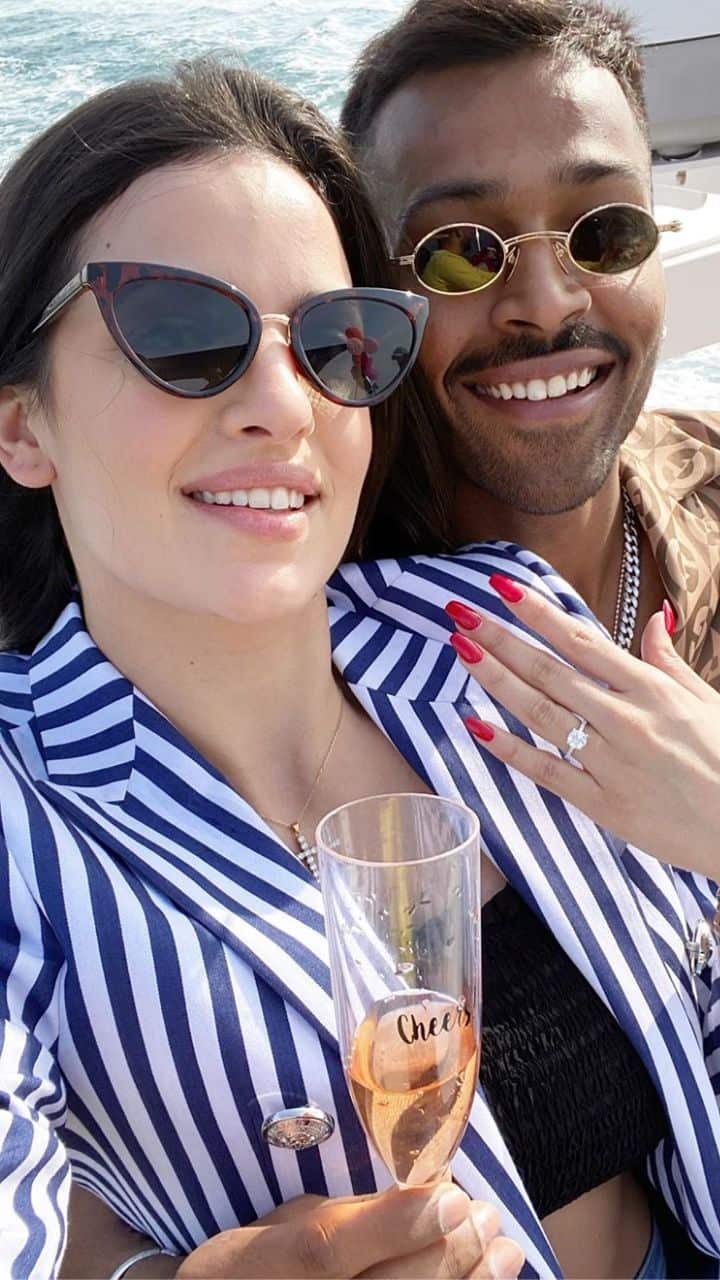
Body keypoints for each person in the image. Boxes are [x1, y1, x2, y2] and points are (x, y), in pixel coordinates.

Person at [1, 53, 719, 1280]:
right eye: (182, 332)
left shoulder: (494, 628)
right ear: (23, 423)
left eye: (338, 341)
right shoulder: (25, 813)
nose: (284, 404)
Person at [341, 0, 720, 690]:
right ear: (372, 298)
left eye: (604, 230)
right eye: (459, 251)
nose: (546, 305)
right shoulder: (312, 640)